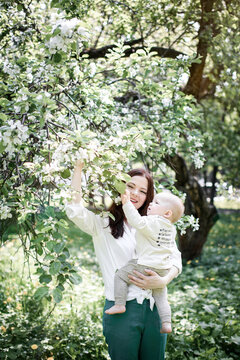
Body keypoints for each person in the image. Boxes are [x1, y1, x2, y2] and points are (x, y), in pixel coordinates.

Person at [65, 161, 182, 360]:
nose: (136, 193)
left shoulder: (156, 224)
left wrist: (163, 280)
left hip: (154, 309)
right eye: (130, 186)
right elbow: (74, 209)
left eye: (142, 191)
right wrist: (77, 170)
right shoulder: (103, 223)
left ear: (149, 196)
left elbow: (175, 259)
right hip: (122, 310)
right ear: (120, 187)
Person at [105, 190, 184, 334]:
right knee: (161, 296)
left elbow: (136, 221)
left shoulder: (153, 221)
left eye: (156, 203)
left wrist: (127, 203)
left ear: (167, 213)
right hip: (162, 269)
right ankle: (166, 322)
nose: (150, 205)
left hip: (146, 265)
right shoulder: (171, 229)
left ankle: (119, 304)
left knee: (120, 275)